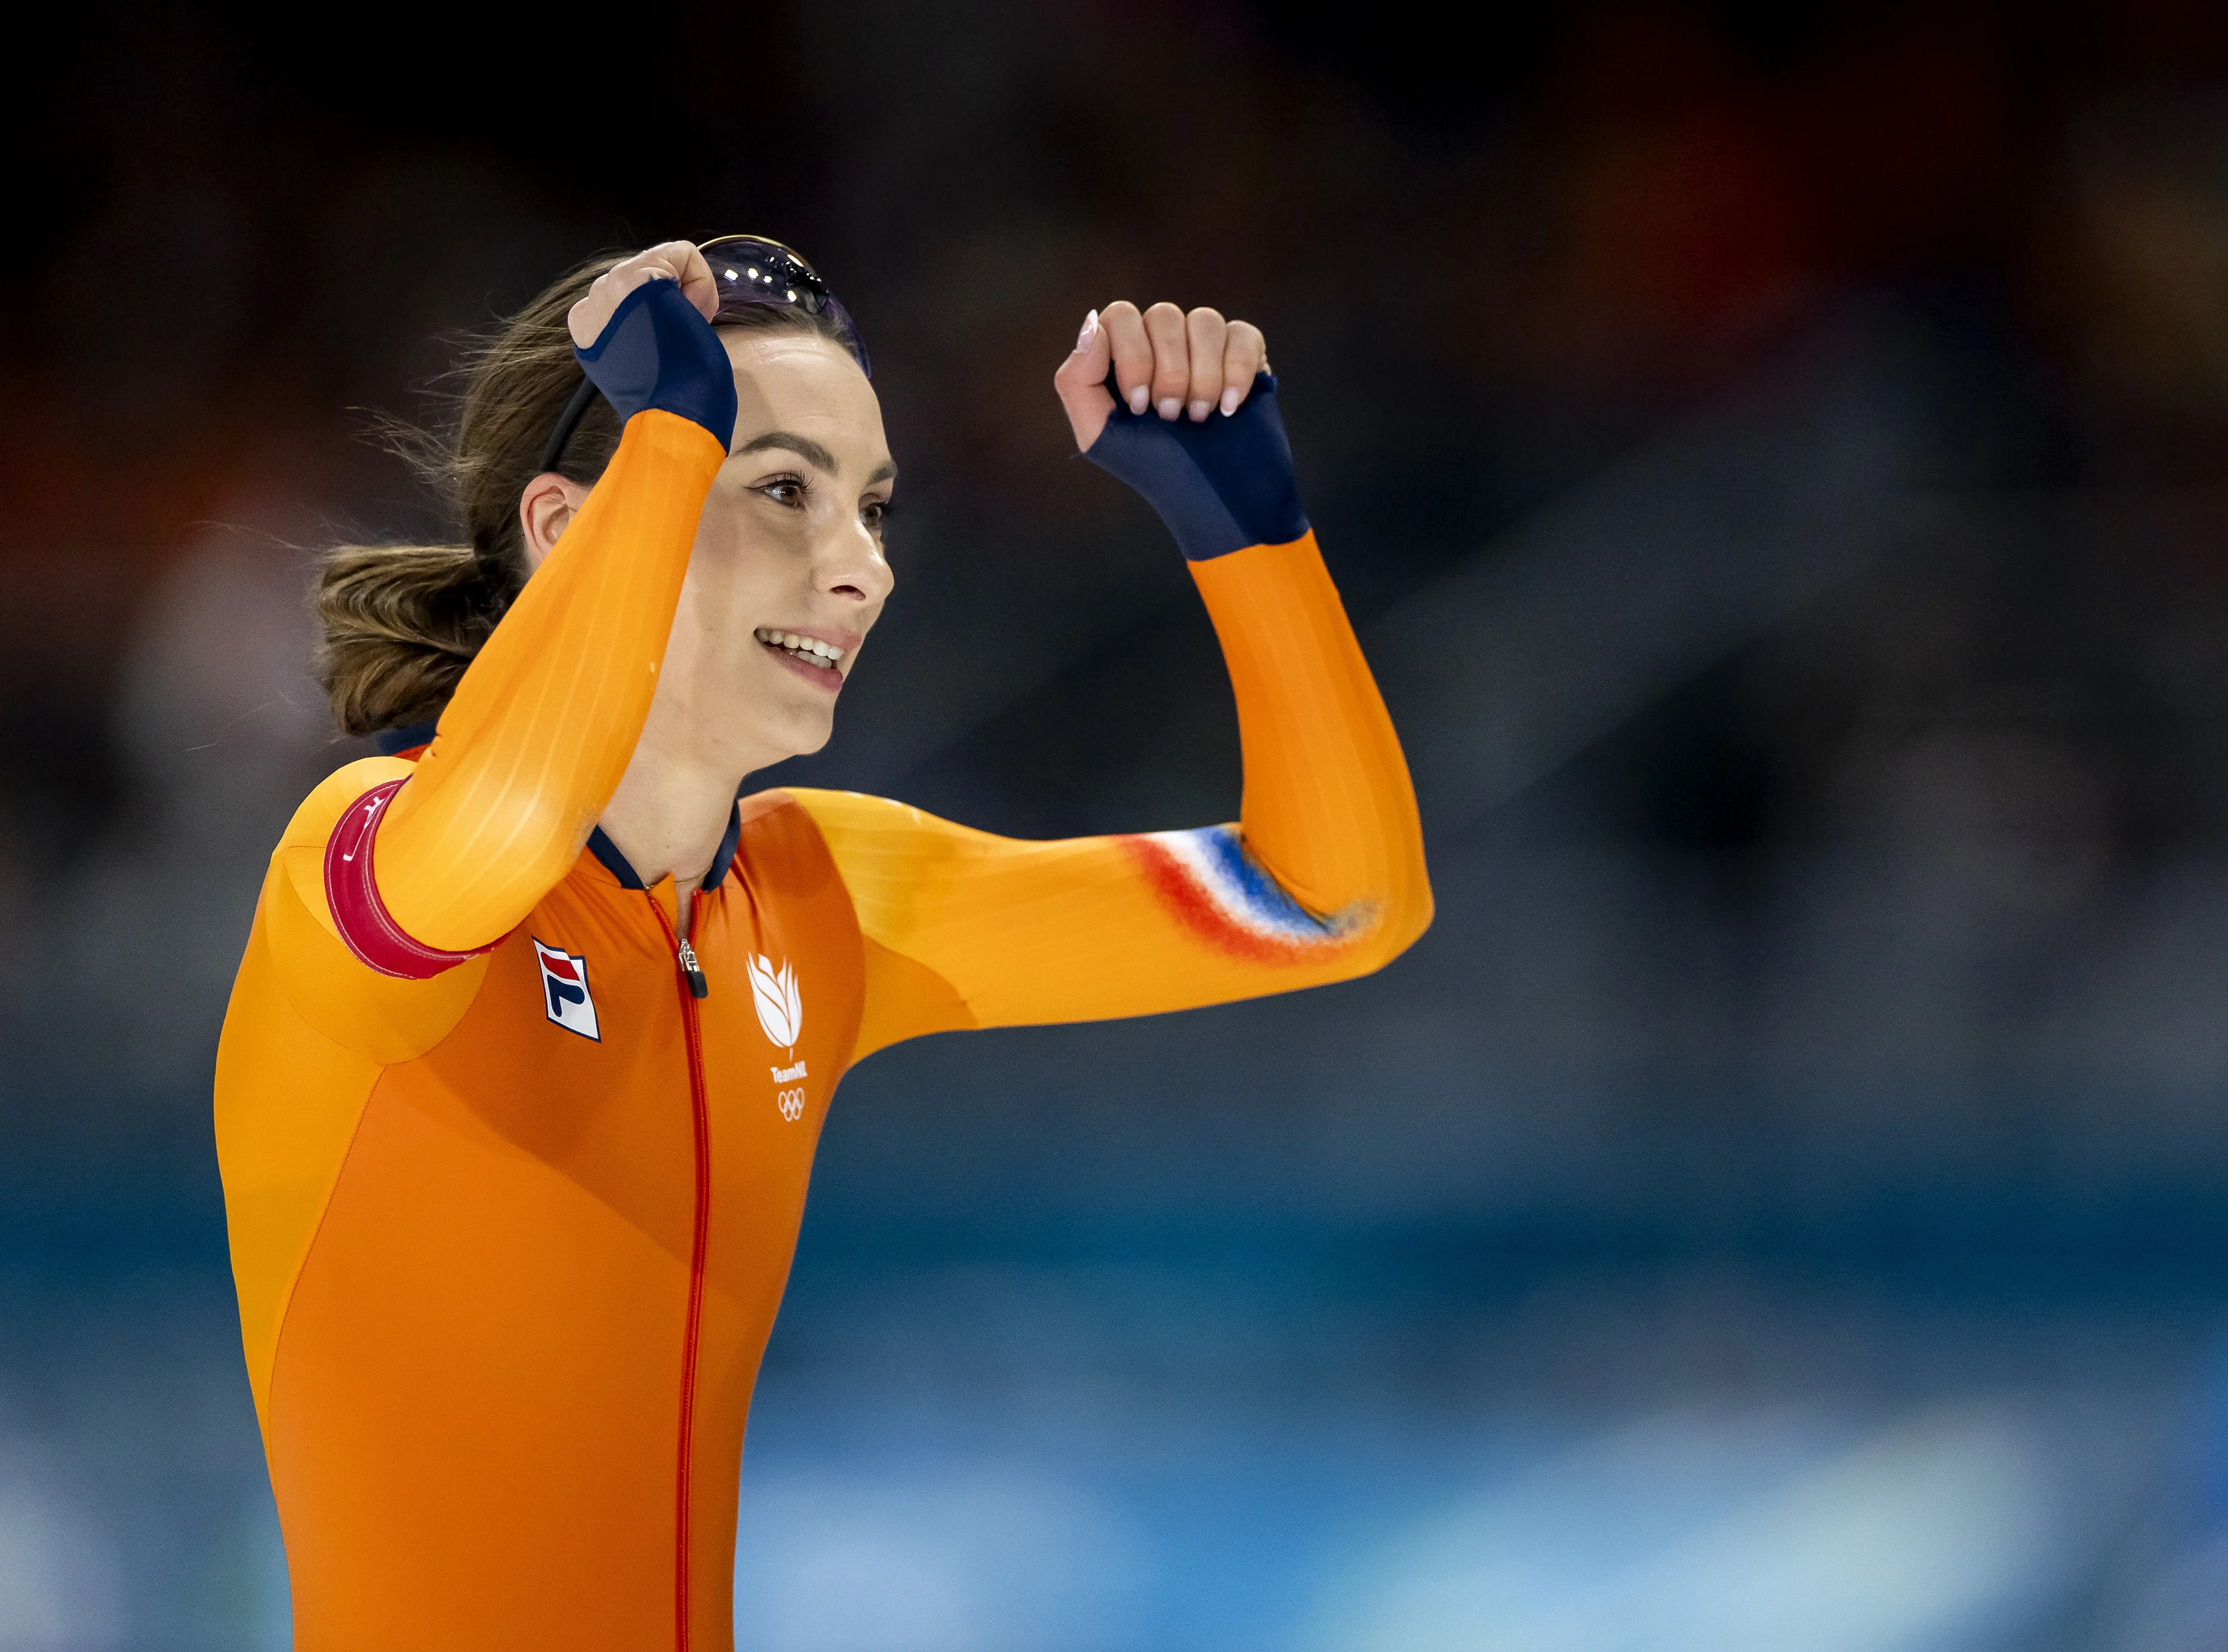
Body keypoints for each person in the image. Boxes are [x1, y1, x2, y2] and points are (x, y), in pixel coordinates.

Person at [213, 236, 1432, 1649]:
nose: (863, 569)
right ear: (567, 525)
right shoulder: (357, 856)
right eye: (782, 489)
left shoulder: (825, 893)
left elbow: (1336, 902)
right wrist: (672, 440)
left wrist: (1251, 538)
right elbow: (503, 830)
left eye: (874, 508)